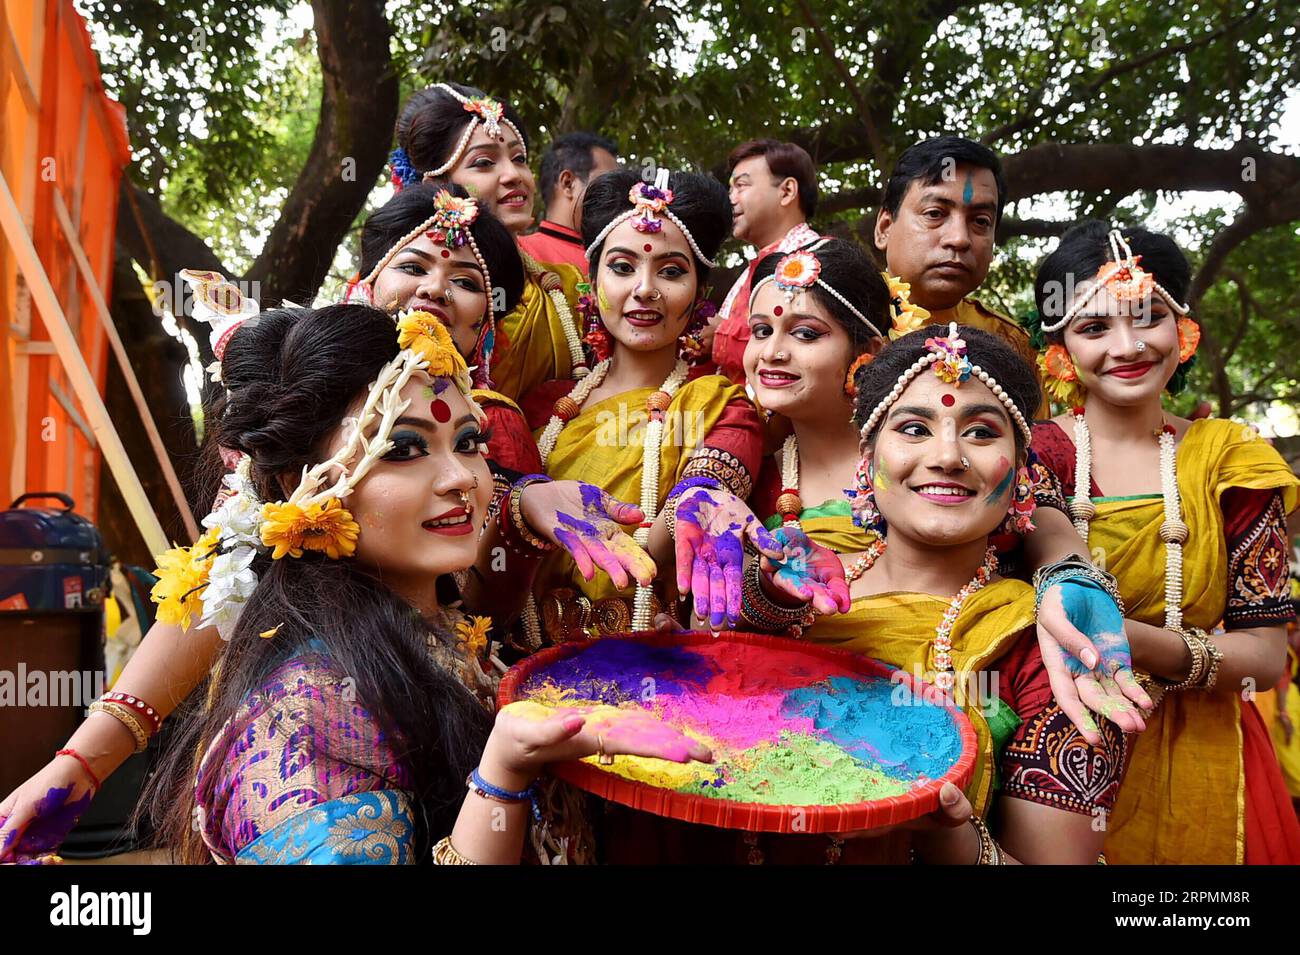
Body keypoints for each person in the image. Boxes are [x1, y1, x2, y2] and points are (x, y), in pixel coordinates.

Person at [1028, 219, 1300, 864]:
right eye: (1094, 327)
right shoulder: (1032, 456)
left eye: (1145, 318)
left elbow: (1265, 657)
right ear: (1060, 348)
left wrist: (1131, 644)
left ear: (1183, 330)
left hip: (1214, 757)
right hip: (1064, 752)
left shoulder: (1233, 459)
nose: (1126, 346)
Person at [517, 167, 768, 647]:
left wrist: (693, 507)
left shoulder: (723, 406)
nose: (645, 288)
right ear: (592, 281)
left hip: (656, 668)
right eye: (622, 266)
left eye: (671, 271)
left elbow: (706, 490)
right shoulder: (543, 406)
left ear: (699, 290)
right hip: (522, 671)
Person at [392, 82, 589, 400]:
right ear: (436, 185)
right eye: (484, 163)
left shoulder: (566, 285)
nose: (514, 175)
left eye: (519, 158)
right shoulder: (404, 281)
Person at [873, 135, 1045, 413]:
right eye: (934, 213)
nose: (959, 239)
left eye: (980, 221)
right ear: (884, 228)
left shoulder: (1014, 345)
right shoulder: (833, 322)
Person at [706, 139, 821, 384]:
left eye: (741, 186)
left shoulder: (816, 260)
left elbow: (802, 348)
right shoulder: (754, 267)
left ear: (787, 191)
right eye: (730, 189)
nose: (731, 199)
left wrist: (719, 335)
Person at [517, 132, 620, 276]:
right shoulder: (517, 253)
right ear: (568, 183)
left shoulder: (618, 258)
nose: (619, 197)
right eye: (607, 184)